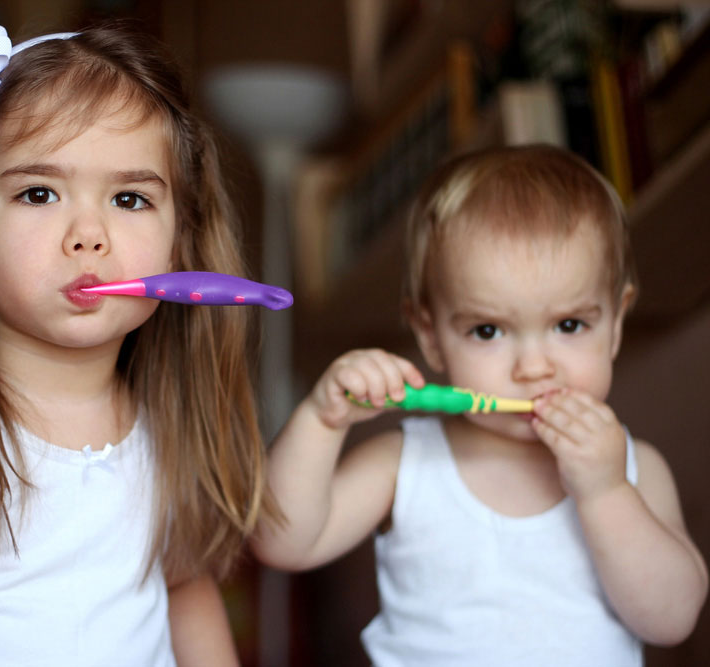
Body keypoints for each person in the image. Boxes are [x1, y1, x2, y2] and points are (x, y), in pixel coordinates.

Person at [0, 24, 276, 666]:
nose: (89, 234)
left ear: (180, 245)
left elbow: (185, 595)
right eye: (38, 193)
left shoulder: (165, 428)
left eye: (129, 198)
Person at [253, 144, 707, 665]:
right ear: (430, 336)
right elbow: (283, 545)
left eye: (569, 325)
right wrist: (320, 420)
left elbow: (671, 620)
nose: (534, 367)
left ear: (616, 324)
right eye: (488, 331)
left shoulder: (633, 468)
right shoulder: (405, 463)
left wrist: (605, 492)